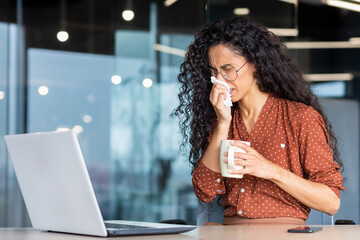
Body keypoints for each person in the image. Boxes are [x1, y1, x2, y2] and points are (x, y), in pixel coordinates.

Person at [174, 17, 345, 225]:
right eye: (214, 72)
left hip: (285, 234)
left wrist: (271, 171)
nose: (220, 80)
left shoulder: (300, 117)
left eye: (228, 69)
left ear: (255, 64)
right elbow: (204, 190)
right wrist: (222, 124)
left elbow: (331, 202)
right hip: (230, 233)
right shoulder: (222, 119)